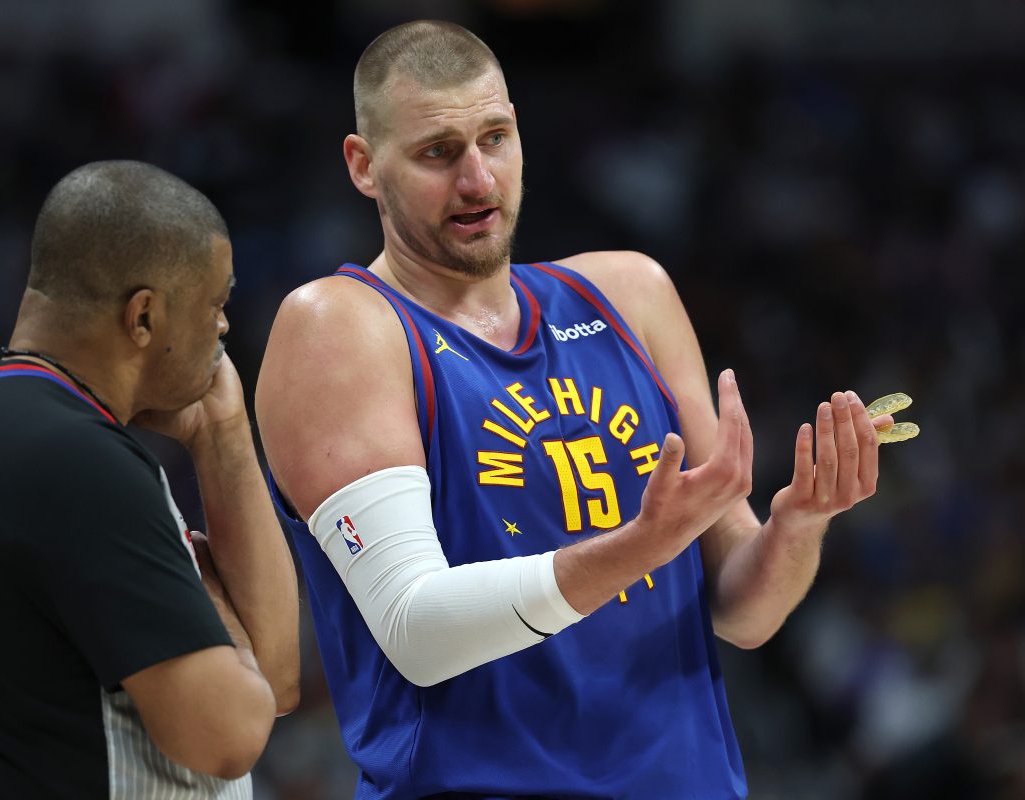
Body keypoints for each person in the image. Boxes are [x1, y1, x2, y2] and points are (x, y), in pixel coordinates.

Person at [256, 20, 898, 799]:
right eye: (438, 152)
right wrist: (640, 546)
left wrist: (799, 522)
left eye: (495, 138)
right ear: (364, 166)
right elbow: (417, 633)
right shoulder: (342, 327)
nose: (478, 180)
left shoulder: (632, 293)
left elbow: (743, 613)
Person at [0, 160, 299, 799]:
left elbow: (274, 684)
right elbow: (228, 736)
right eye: (216, 302)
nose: (224, 327)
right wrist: (213, 601)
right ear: (143, 317)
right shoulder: (71, 457)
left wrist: (221, 434)